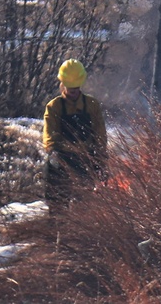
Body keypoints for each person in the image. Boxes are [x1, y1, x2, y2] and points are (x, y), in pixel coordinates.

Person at [42, 59, 108, 209]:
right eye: (70, 87)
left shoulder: (92, 105)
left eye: (76, 87)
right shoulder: (54, 107)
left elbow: (100, 135)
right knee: (57, 208)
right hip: (61, 160)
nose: (73, 91)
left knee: (83, 207)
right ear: (63, 84)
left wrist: (101, 161)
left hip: (85, 160)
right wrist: (54, 154)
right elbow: (49, 135)